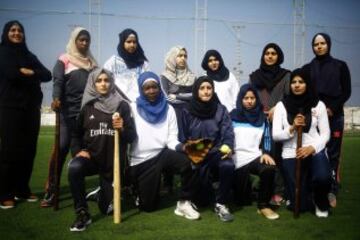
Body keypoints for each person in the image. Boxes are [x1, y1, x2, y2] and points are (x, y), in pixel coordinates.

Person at [68, 68, 136, 231]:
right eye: (99, 81)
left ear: (111, 82)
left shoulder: (122, 106)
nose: (103, 84)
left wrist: (122, 129)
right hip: (91, 159)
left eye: (106, 80)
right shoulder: (87, 107)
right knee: (75, 167)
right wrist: (78, 151)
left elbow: (132, 136)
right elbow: (75, 134)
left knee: (106, 210)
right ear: (93, 83)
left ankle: (101, 195)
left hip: (113, 164)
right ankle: (82, 212)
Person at [129, 71, 200, 220]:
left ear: (159, 87)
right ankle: (136, 188)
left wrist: (184, 148)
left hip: (162, 154)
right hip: (141, 161)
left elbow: (171, 140)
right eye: (147, 88)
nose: (151, 91)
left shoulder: (169, 109)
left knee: (189, 160)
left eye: (154, 87)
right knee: (148, 207)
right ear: (141, 90)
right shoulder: (132, 108)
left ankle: (184, 202)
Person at [41, 27, 97, 207]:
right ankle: (51, 190)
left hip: (87, 115)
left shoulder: (92, 63)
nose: (84, 43)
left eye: (87, 40)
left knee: (82, 152)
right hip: (67, 114)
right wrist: (56, 98)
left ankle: (84, 190)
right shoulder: (64, 59)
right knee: (61, 148)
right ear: (74, 41)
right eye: (81, 39)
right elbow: (58, 81)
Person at [0, 20, 52, 209]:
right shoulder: (3, 52)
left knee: (29, 150)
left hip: (31, 109)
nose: (16, 33)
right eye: (12, 30)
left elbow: (47, 75)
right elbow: (11, 74)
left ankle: (22, 189)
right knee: (9, 151)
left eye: (19, 30)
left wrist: (29, 71)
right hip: (10, 108)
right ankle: (5, 193)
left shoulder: (29, 55)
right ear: (6, 33)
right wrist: (31, 74)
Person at [272, 68, 332, 218]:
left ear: (308, 84)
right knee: (300, 205)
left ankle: (321, 202)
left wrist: (312, 148)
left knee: (323, 177)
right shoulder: (281, 106)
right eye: (293, 82)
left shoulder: (318, 105)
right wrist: (291, 128)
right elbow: (276, 136)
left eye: (301, 82)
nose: (297, 85)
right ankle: (300, 196)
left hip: (314, 150)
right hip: (291, 153)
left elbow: (325, 134)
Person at [303, 33, 351, 208]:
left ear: (328, 44)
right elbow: (304, 92)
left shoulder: (340, 66)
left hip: (335, 115)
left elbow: (346, 92)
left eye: (323, 43)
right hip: (314, 116)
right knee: (313, 150)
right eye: (316, 44)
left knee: (333, 153)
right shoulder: (307, 68)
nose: (319, 46)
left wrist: (332, 108)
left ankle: (331, 189)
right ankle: (312, 187)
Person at [179, 76, 235, 222]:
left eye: (209, 88)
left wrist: (228, 147)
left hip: (216, 152)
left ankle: (221, 203)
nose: (206, 91)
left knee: (228, 165)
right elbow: (183, 138)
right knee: (202, 201)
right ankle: (199, 196)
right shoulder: (186, 111)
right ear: (196, 91)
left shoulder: (221, 110)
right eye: (202, 88)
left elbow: (228, 132)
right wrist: (193, 148)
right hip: (197, 153)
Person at [249, 43, 291, 205]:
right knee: (263, 155)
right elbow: (249, 96)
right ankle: (262, 187)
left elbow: (290, 97)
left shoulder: (286, 75)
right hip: (260, 121)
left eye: (274, 53)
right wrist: (260, 111)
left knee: (279, 156)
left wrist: (277, 109)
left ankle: (279, 191)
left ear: (278, 56)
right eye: (267, 53)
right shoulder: (254, 77)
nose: (270, 56)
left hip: (280, 121)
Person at [230, 84, 279, 220]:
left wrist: (266, 153)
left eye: (252, 98)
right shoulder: (232, 115)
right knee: (241, 200)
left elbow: (267, 137)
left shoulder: (262, 118)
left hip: (254, 156)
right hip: (235, 157)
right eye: (246, 98)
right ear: (241, 99)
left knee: (268, 168)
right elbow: (226, 135)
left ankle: (263, 205)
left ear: (257, 99)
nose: (249, 101)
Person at [160, 46, 196, 192]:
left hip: (189, 115)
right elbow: (166, 96)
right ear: (172, 57)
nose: (182, 59)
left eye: (185, 56)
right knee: (170, 144)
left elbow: (195, 95)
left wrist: (178, 96)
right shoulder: (164, 76)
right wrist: (185, 98)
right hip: (172, 114)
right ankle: (167, 183)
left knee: (190, 144)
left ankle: (188, 182)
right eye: (179, 55)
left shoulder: (192, 76)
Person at [104, 28, 149, 102]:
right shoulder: (112, 62)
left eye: (134, 42)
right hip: (119, 104)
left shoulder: (142, 63)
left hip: (139, 104)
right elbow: (106, 83)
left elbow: (147, 82)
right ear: (122, 43)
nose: (132, 45)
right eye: (128, 42)